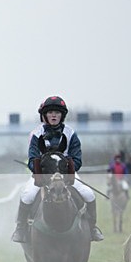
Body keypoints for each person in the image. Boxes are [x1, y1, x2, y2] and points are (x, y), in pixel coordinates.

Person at [11, 95, 104, 243]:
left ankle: (92, 228)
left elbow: (77, 158)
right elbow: (33, 157)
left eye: (57, 112)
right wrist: (40, 174)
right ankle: (20, 229)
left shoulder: (71, 133)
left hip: (66, 174)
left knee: (89, 194)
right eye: (50, 112)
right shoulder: (36, 134)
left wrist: (67, 172)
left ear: (62, 115)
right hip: (42, 174)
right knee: (27, 195)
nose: (54, 115)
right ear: (44, 115)